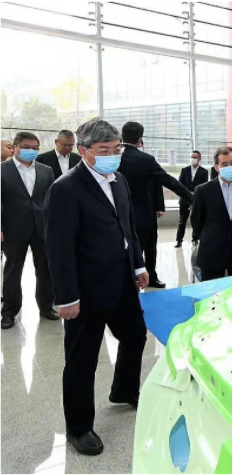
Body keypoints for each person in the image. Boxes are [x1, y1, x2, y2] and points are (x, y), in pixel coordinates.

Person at [44, 118, 149, 456]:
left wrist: (138, 264)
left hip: (121, 281)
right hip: (86, 290)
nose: (112, 156)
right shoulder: (66, 188)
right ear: (84, 151)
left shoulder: (119, 180)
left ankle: (124, 390)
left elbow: (127, 227)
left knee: (135, 335)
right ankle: (79, 428)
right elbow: (58, 249)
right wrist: (66, 297)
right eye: (104, 150)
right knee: (82, 360)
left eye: (116, 149)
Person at [118, 121, 193, 288]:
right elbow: (169, 181)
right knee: (149, 246)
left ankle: (134, 280)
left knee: (128, 250)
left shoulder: (113, 158)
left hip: (120, 214)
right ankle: (148, 276)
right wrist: (193, 198)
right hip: (144, 213)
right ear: (140, 138)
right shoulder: (145, 159)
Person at [1, 132, 57, 330]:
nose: (31, 151)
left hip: (42, 227)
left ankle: (46, 307)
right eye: (26, 147)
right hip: (13, 228)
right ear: (15, 147)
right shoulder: (2, 170)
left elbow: (52, 200)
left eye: (35, 148)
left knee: (45, 269)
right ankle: (9, 312)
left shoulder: (45, 170)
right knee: (12, 270)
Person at [191, 146, 232, 281]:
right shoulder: (203, 191)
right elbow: (196, 220)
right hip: (211, 252)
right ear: (216, 167)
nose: (229, 167)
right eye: (224, 164)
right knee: (211, 290)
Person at [175, 150, 209, 248]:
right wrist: (187, 193)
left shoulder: (204, 172)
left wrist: (195, 193)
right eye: (192, 157)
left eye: (195, 157)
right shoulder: (184, 170)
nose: (193, 159)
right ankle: (179, 240)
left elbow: (204, 185)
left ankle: (195, 239)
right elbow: (180, 184)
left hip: (197, 199)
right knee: (182, 220)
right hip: (184, 199)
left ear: (199, 159)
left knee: (196, 220)